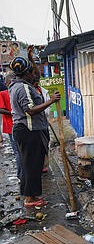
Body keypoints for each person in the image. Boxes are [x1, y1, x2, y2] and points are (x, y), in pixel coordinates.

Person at [8, 56, 60, 208]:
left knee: (30, 165)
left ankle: (31, 195)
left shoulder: (17, 84)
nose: (34, 74)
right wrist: (50, 100)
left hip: (26, 130)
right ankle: (30, 199)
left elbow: (37, 75)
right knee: (31, 165)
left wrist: (30, 58)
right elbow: (29, 110)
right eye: (31, 72)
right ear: (26, 74)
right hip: (29, 131)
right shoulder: (23, 88)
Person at [0, 71, 22, 179]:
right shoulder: (4, 93)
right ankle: (21, 175)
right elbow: (1, 109)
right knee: (18, 151)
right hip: (11, 126)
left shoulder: (17, 91)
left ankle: (21, 175)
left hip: (18, 125)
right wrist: (14, 113)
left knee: (19, 151)